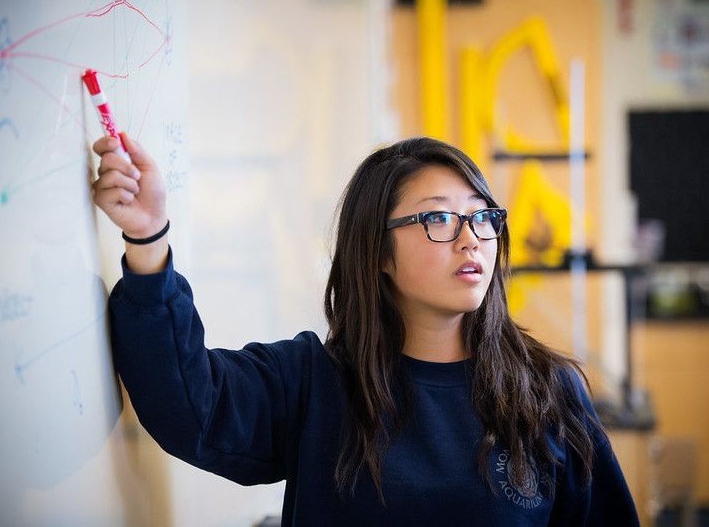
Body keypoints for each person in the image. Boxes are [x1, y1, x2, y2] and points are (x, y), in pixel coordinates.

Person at [92, 133, 639, 526]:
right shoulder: (314, 382)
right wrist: (148, 239)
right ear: (377, 250)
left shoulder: (547, 392)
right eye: (439, 218)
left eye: (483, 216)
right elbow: (189, 407)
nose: (472, 238)